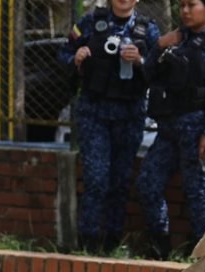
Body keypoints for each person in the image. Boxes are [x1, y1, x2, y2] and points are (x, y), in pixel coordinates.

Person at [136, 0, 205, 259]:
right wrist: (159, 45)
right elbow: (147, 74)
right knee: (148, 183)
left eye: (192, 5)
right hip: (169, 131)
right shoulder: (176, 40)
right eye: (181, 5)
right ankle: (160, 246)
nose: (185, 11)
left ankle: (201, 256)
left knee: (198, 196)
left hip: (198, 133)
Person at [58, 0, 159, 254]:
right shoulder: (90, 22)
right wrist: (76, 58)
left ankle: (112, 241)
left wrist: (140, 60)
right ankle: (88, 241)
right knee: (96, 179)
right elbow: (63, 53)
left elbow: (161, 70)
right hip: (94, 112)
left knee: (121, 180)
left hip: (129, 114)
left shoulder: (149, 29)